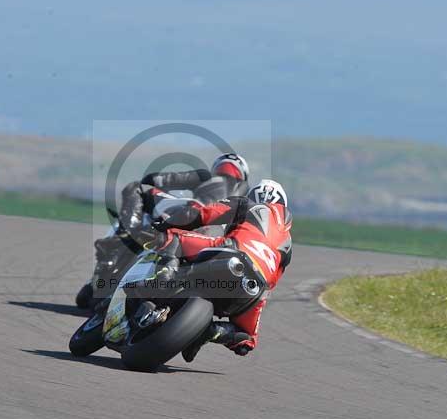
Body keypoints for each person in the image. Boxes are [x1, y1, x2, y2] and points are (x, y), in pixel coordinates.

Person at [75, 153, 250, 308]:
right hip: (214, 240)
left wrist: (154, 180)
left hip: (185, 215)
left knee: (136, 187)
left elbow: (155, 180)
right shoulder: (246, 202)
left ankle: (124, 235)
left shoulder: (205, 176)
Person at [151, 179, 292, 362]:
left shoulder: (246, 204)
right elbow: (272, 282)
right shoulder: (288, 244)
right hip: (255, 287)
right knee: (246, 339)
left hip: (231, 252)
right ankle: (211, 332)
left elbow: (204, 214)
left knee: (173, 239)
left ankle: (161, 282)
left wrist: (168, 222)